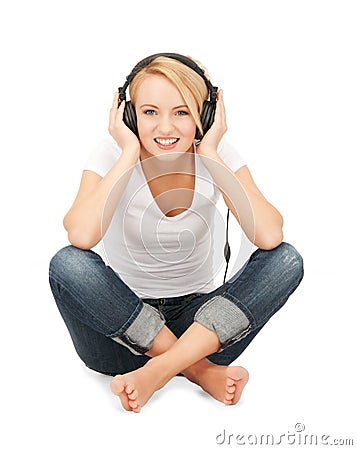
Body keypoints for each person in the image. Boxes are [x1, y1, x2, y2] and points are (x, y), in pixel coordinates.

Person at [49, 53, 304, 413]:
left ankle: (163, 369)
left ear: (206, 115)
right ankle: (198, 372)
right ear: (128, 114)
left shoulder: (217, 153)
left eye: (182, 112)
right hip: (119, 331)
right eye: (150, 112)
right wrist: (127, 155)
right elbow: (81, 235)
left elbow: (269, 236)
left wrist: (212, 154)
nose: (165, 128)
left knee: (287, 260)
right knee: (68, 264)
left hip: (203, 328)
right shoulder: (112, 153)